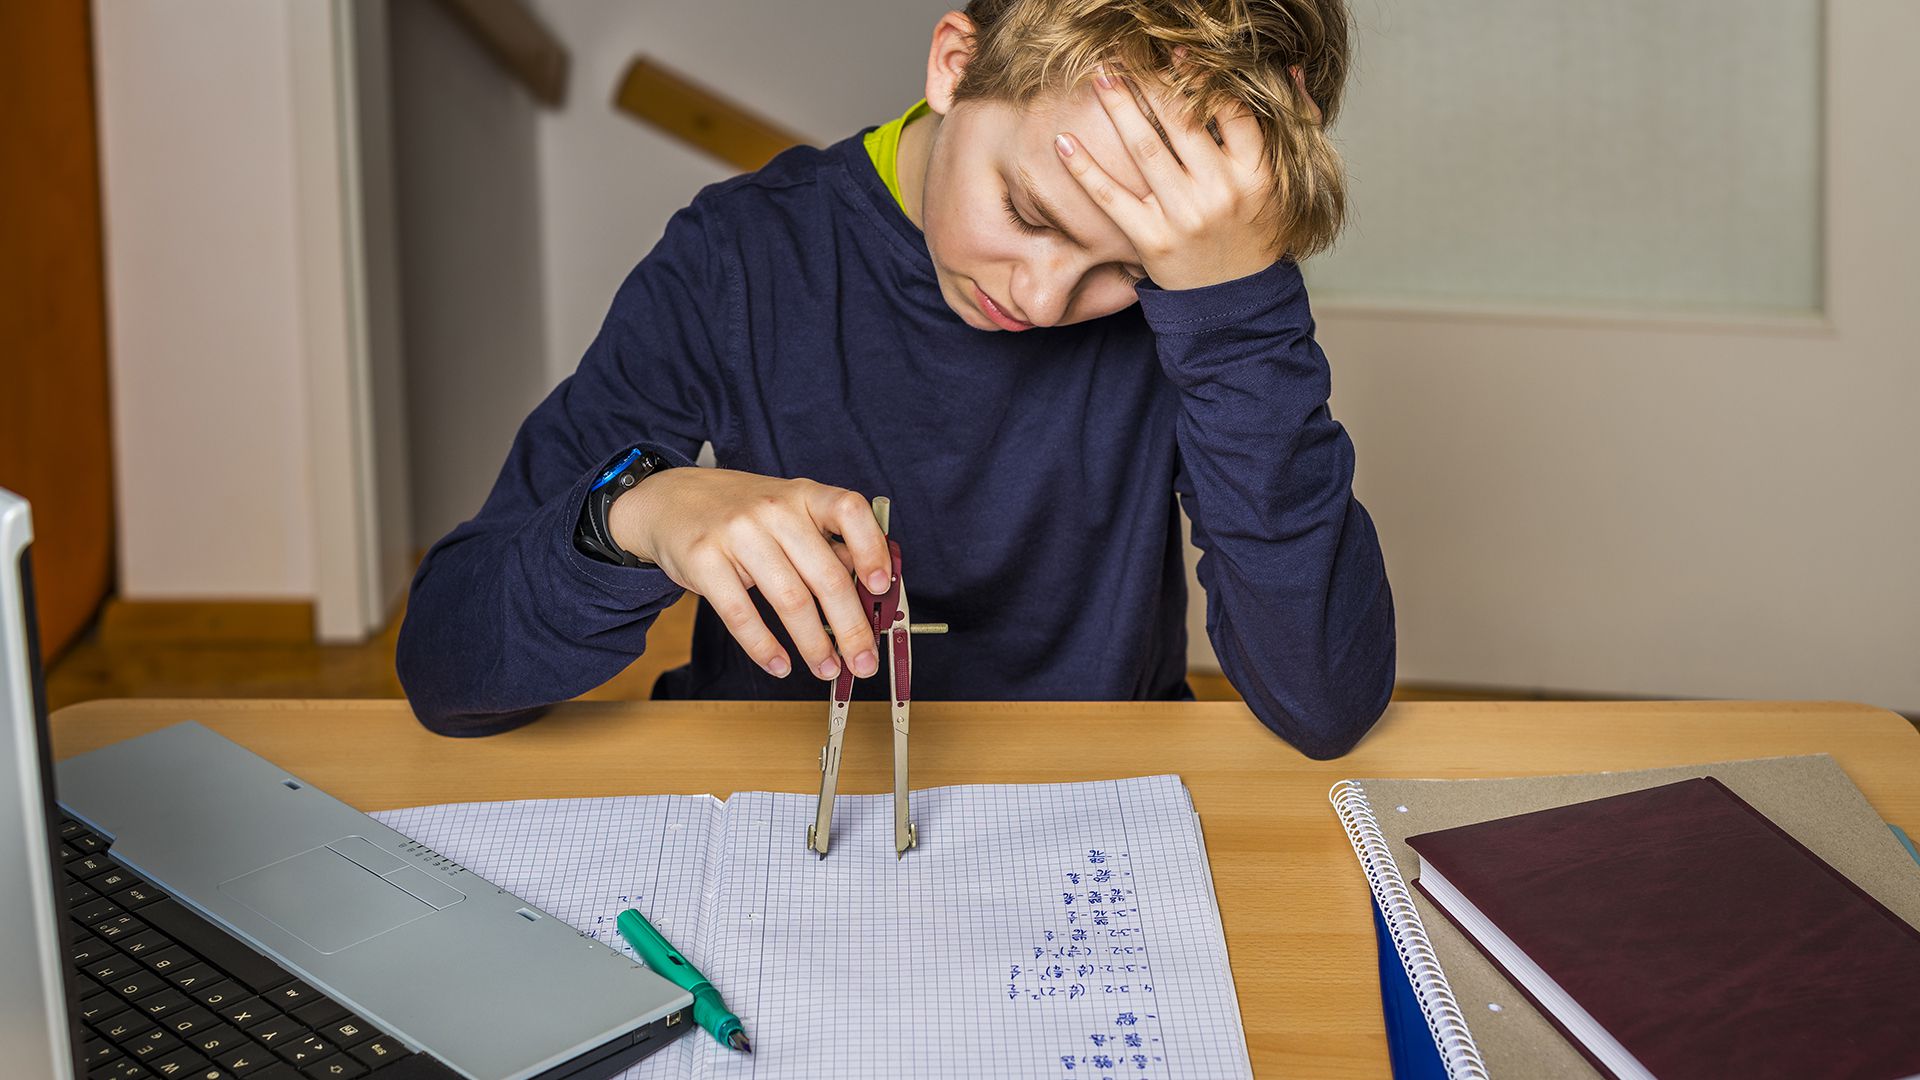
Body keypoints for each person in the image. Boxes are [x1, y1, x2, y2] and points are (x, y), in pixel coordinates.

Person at [396, 0, 1394, 759]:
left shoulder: (1210, 299)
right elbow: (446, 667)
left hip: (1092, 797)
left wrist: (1233, 309)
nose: (1044, 301)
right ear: (957, 66)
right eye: (1033, 215)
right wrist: (637, 514)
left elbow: (1323, 703)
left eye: (1130, 270)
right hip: (768, 796)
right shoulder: (741, 256)